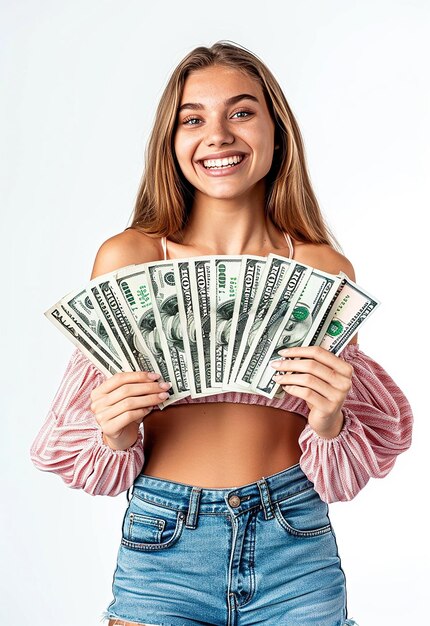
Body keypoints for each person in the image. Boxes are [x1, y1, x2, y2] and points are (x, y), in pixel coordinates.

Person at [30, 41, 413, 626]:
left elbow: (345, 473)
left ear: (275, 130)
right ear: (172, 142)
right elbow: (83, 457)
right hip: (164, 545)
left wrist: (331, 420)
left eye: (241, 112)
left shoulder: (324, 270)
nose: (218, 135)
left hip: (295, 542)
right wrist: (113, 430)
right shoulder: (127, 260)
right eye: (193, 119)